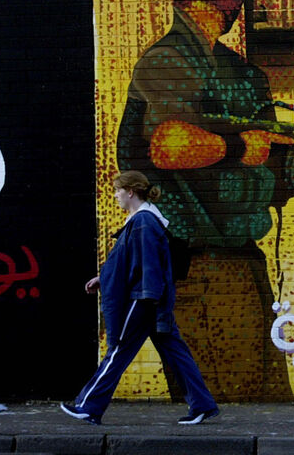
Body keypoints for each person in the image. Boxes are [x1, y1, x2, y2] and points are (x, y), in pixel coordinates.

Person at [116, 0, 294, 401]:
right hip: (199, 269)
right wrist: (239, 146)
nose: (241, 0)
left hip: (239, 263)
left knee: (265, 401)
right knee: (231, 406)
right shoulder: (168, 61)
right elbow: (169, 146)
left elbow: (254, 172)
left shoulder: (238, 73)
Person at [60, 170, 218, 425]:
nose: (115, 196)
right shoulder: (143, 220)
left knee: (119, 349)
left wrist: (147, 300)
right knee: (174, 351)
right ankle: (203, 405)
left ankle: (89, 407)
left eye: (118, 191)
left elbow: (149, 265)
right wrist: (104, 278)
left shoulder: (144, 221)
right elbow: (133, 260)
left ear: (130, 191)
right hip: (150, 298)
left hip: (143, 299)